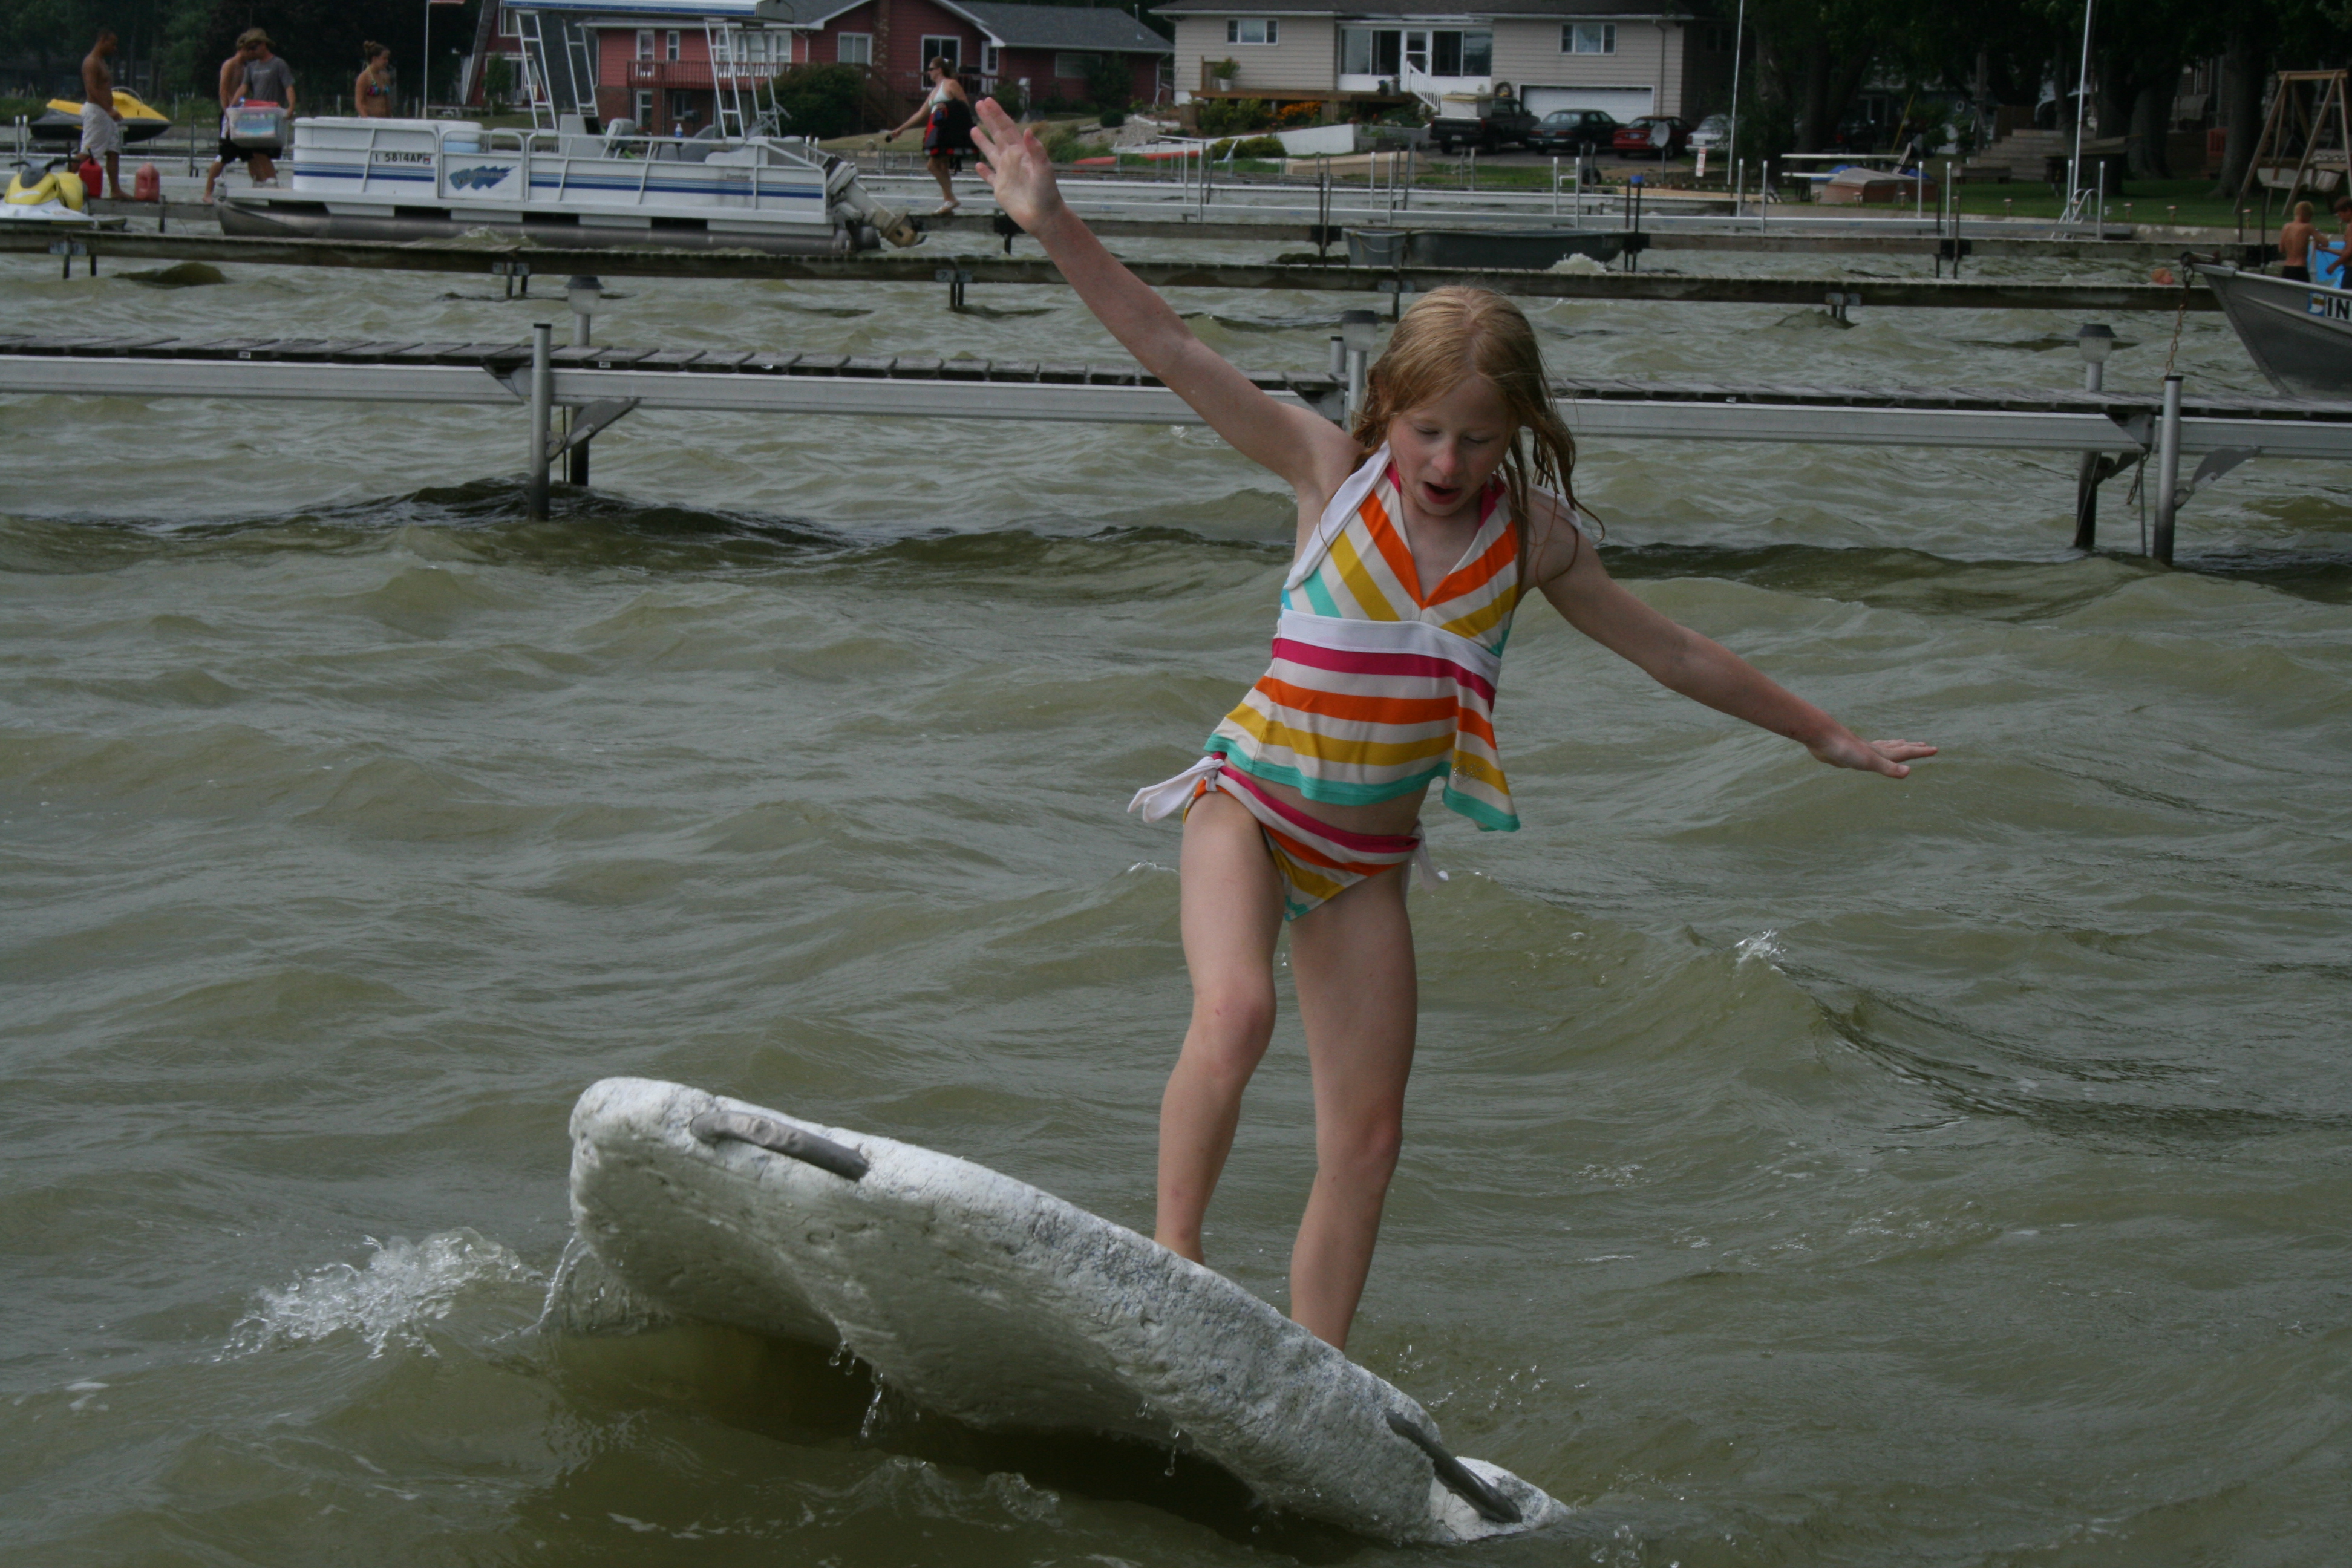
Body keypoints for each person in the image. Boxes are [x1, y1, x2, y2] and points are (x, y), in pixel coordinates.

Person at [969, 97, 1936, 1352]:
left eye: (1478, 440)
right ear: (1386, 408)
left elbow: (1673, 650)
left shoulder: (1531, 540)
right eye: (1426, 431)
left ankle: (1317, 1374)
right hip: (1246, 807)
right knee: (1237, 1017)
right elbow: (1172, 347)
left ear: (1518, 432)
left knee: (1369, 1138)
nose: (1445, 461)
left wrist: (1821, 732)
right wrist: (1052, 221)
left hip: (1364, 862)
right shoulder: (1329, 472)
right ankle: (1173, 1264)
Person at [889, 57, 973, 215]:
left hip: (949, 131)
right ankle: (948, 203)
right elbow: (921, 113)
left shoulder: (951, 84)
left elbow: (965, 106)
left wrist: (947, 106)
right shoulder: (935, 91)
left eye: (931, 69)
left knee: (932, 166)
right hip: (937, 131)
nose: (928, 72)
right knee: (942, 166)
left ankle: (951, 199)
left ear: (939, 70)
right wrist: (901, 129)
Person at [234, 28, 296, 186]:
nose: (251, 52)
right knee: (252, 153)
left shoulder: (279, 64)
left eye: (254, 48)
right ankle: (260, 183)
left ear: (263, 45)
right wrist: (232, 106)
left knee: (262, 152)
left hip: (272, 115)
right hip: (256, 115)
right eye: (249, 49)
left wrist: (291, 107)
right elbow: (244, 87)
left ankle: (272, 183)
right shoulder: (251, 67)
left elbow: (288, 86)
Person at [201, 36, 257, 203]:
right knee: (224, 155)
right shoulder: (230, 65)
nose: (253, 55)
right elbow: (223, 91)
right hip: (230, 115)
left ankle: (260, 190)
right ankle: (207, 193)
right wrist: (228, 114)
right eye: (251, 50)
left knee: (251, 156)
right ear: (244, 49)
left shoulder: (246, 68)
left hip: (242, 115)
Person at [79, 29, 125, 201]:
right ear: (103, 41)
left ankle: (115, 190)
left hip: (106, 114)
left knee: (113, 151)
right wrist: (108, 109)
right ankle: (63, 181)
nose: (114, 48)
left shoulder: (102, 61)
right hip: (97, 112)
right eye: (112, 44)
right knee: (88, 153)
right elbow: (92, 89)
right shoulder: (91, 62)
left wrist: (109, 111)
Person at [2281, 200, 2317, 284]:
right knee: (2303, 292)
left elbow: (2281, 249)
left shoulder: (2286, 227)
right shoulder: (2308, 227)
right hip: (2300, 268)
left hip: (2287, 268)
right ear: (2307, 215)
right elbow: (2325, 243)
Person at [356, 41, 394, 119]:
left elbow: (387, 101)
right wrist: (367, 121)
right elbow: (359, 103)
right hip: (370, 120)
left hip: (383, 120)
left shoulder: (384, 76)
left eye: (387, 59)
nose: (387, 62)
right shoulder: (364, 77)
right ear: (375, 59)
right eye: (384, 59)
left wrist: (390, 119)